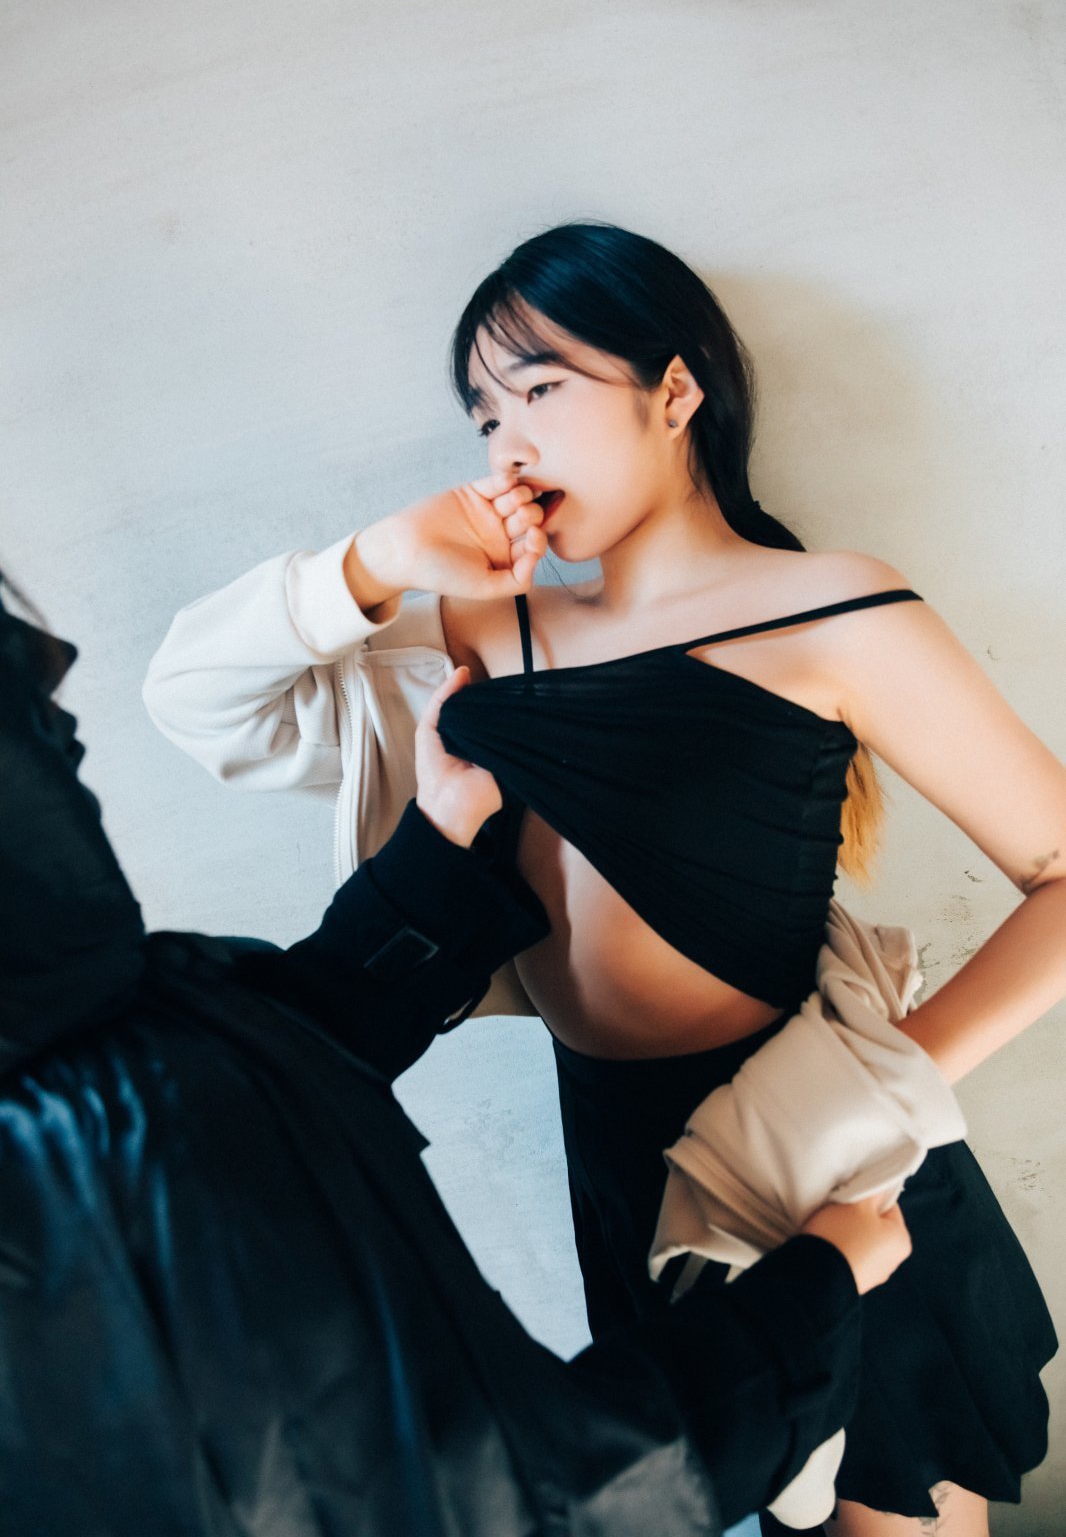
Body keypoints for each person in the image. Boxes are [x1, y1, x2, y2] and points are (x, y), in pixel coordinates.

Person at [142, 220, 1064, 1535]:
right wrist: (381, 558)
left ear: (673, 392)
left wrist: (882, 1084)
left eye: (539, 389)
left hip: (830, 1149)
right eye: (482, 415)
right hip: (620, 1165)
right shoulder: (479, 630)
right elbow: (191, 696)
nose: (505, 445)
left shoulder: (831, 609)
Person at [0, 575, 914, 1537]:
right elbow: (524, 1498)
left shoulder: (100, 1052)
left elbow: (295, 1034)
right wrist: (814, 1292)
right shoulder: (92, 1159)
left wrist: (440, 829)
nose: (56, 667)